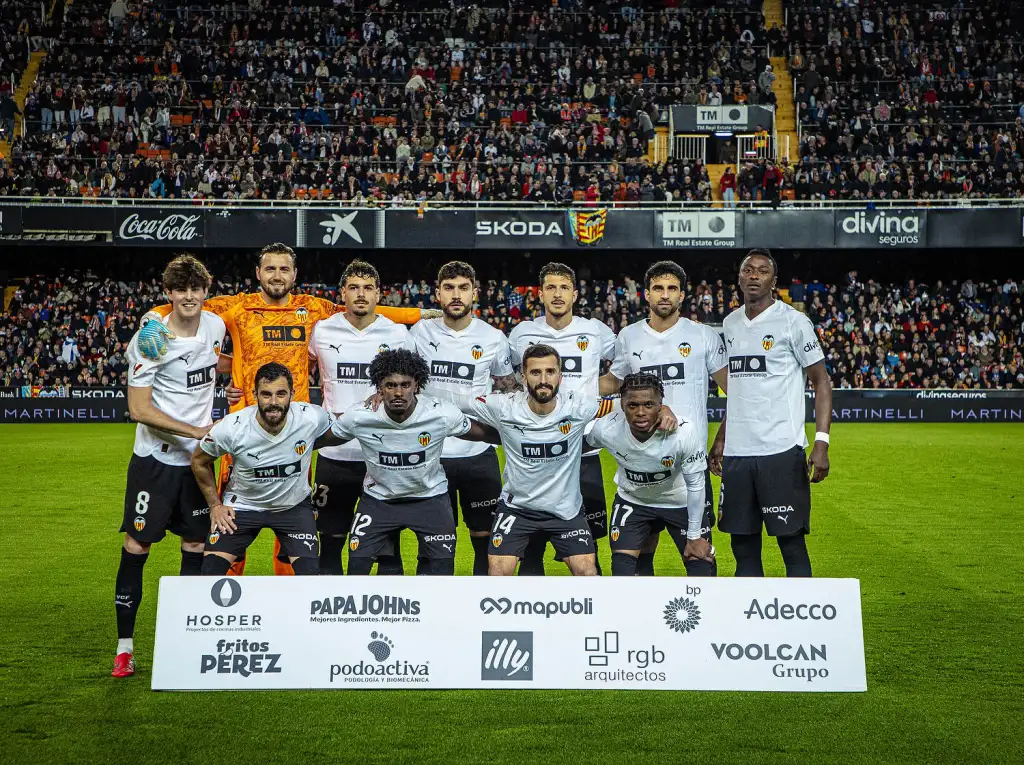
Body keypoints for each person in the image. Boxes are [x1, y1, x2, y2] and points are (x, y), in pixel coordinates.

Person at [137, 244, 432, 576]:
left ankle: (290, 597)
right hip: (243, 432)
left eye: (284, 269)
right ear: (258, 273)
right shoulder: (238, 307)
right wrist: (153, 317)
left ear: (294, 274)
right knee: (232, 523)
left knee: (293, 527)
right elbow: (186, 304)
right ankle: (223, 593)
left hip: (295, 432)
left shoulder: (313, 308)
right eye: (270, 268)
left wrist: (423, 314)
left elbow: (363, 307)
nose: (277, 275)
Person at [113, 254, 227, 678]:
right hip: (156, 461)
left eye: (196, 289)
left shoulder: (215, 326)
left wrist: (235, 380)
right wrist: (196, 431)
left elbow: (212, 362)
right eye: (181, 290)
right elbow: (139, 409)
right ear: (169, 293)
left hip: (196, 463)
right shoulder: (152, 338)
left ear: (205, 290)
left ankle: (185, 643)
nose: (189, 297)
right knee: (137, 546)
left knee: (196, 546)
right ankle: (124, 648)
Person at [709, 249, 832, 577]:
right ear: (739, 278)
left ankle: (801, 611)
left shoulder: (793, 322)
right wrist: (721, 438)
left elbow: (821, 381)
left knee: (791, 544)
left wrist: (821, 443)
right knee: (742, 547)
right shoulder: (730, 323)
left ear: (773, 281)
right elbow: (739, 389)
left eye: (762, 271)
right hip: (737, 454)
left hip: (780, 450)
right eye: (748, 270)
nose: (754, 275)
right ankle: (749, 612)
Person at [601, 260, 729, 575]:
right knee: (638, 560)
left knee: (700, 558)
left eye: (672, 288)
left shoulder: (702, 336)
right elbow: (613, 384)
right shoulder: (629, 336)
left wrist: (722, 438)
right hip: (641, 462)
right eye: (658, 288)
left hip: (689, 465)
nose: (665, 294)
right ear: (646, 294)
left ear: (682, 295)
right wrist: (566, 384)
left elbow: (735, 392)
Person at [321, 349, 496, 576]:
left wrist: (525, 437)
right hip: (379, 501)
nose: (398, 392)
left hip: (430, 499)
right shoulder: (360, 416)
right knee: (357, 569)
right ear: (379, 387)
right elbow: (320, 440)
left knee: (440, 575)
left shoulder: (441, 414)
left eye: (405, 385)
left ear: (416, 385)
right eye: (390, 385)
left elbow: (483, 434)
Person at [443, 344, 602, 576]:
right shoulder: (504, 406)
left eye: (550, 372)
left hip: (565, 511)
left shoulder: (580, 406)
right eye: (535, 372)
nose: (543, 380)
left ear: (560, 376)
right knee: (498, 574)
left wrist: (658, 413)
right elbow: (456, 401)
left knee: (588, 573)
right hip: (517, 510)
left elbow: (623, 405)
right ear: (524, 377)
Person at [409, 261, 518, 576]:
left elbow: (508, 389)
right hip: (431, 453)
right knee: (433, 543)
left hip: (478, 453)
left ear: (475, 293)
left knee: (486, 541)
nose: (456, 295)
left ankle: (479, 602)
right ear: (438, 293)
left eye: (463, 288)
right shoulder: (419, 333)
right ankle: (432, 603)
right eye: (449, 288)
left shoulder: (493, 337)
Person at [507, 263, 616, 575]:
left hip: (584, 451)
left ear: (575, 294)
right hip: (536, 452)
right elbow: (512, 379)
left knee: (589, 546)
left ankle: (592, 603)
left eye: (564, 287)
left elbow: (622, 368)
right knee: (531, 548)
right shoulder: (522, 333)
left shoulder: (595, 331)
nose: (558, 294)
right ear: (540, 294)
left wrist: (594, 393)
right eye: (551, 288)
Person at [308, 260, 412, 575]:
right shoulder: (322, 330)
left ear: (379, 294)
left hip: (381, 455)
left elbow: (412, 386)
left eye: (368, 288)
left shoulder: (397, 333)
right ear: (343, 293)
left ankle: (386, 604)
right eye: (354, 287)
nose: (361, 294)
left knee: (386, 546)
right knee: (330, 541)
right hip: (334, 454)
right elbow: (296, 368)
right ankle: (331, 603)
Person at [192, 363, 333, 576]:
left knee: (310, 576)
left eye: (281, 394)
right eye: (266, 394)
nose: (274, 402)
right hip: (242, 506)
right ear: (255, 394)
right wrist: (215, 505)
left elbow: (341, 431)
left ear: (292, 394)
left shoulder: (312, 417)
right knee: (210, 573)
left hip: (293, 507)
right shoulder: (232, 427)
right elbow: (198, 461)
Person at [587, 373, 715, 576]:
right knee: (622, 572)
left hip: (680, 503)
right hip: (634, 501)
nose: (640, 412)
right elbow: (577, 441)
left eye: (648, 405)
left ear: (661, 405)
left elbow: (696, 485)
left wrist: (693, 536)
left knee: (701, 566)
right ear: (622, 405)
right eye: (632, 405)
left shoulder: (684, 432)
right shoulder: (605, 429)